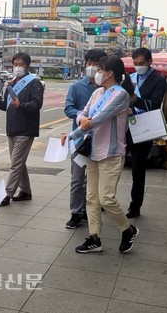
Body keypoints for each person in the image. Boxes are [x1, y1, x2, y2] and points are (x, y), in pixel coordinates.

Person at [61, 56, 140, 254]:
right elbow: (84, 113)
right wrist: (82, 119)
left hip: (111, 153)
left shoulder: (120, 95)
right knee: (92, 198)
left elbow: (99, 119)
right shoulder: (97, 92)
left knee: (106, 199)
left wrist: (72, 134)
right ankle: (94, 237)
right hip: (93, 152)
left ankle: (127, 230)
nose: (95, 71)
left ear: (110, 73)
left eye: (99, 68)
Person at [0, 52, 44, 207]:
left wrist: (21, 105)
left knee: (15, 163)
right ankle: (25, 191)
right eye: (15, 64)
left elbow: (37, 104)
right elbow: (7, 105)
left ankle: (7, 193)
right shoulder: (12, 83)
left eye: (21, 64)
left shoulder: (34, 83)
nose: (17, 67)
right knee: (19, 162)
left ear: (27, 66)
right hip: (12, 128)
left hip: (26, 129)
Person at [63, 49, 107, 229]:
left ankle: (92, 211)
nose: (91, 67)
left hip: (101, 140)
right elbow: (68, 109)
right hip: (80, 141)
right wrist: (82, 118)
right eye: (89, 62)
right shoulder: (76, 87)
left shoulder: (108, 88)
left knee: (95, 180)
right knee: (77, 179)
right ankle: (76, 212)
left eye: (95, 64)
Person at [126, 48, 167, 218]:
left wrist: (136, 100)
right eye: (135, 64)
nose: (138, 67)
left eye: (141, 64)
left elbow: (155, 104)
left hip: (144, 127)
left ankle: (135, 206)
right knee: (113, 164)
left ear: (150, 62)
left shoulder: (158, 80)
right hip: (126, 125)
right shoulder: (130, 78)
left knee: (137, 168)